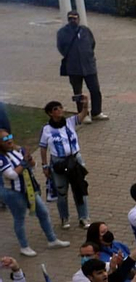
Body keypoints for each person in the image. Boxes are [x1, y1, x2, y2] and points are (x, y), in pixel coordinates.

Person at [1, 130, 69, 257]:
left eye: (9, 136)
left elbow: (33, 166)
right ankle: (24, 246)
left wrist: (30, 159)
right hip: (13, 193)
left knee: (43, 212)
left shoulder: (18, 150)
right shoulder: (1, 158)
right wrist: (23, 162)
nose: (9, 140)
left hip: (29, 188)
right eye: (5, 139)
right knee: (19, 218)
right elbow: (12, 175)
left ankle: (52, 240)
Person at [37, 100, 89, 234]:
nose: (60, 110)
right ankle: (64, 218)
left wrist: (85, 104)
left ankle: (83, 218)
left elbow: (82, 115)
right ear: (50, 113)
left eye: (60, 107)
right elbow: (43, 148)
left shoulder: (70, 122)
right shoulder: (46, 129)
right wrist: (45, 166)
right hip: (58, 162)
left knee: (80, 188)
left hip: (74, 159)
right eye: (56, 109)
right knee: (61, 191)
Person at [56, 10, 104, 121]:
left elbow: (92, 44)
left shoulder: (85, 30)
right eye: (70, 18)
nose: (73, 20)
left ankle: (97, 112)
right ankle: (83, 114)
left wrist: (88, 56)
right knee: (78, 93)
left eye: (75, 18)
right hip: (74, 68)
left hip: (89, 66)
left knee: (95, 90)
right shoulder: (62, 32)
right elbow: (61, 48)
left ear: (79, 19)